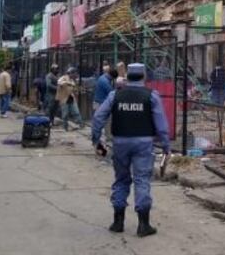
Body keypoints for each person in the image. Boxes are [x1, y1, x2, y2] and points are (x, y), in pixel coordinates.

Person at [92, 62, 171, 238]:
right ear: (144, 76)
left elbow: (98, 117)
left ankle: (118, 222)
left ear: (127, 76)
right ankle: (143, 225)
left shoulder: (115, 95)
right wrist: (166, 146)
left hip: (120, 143)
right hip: (143, 144)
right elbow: (162, 126)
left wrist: (96, 140)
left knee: (121, 180)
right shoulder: (152, 96)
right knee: (142, 179)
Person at [57, 67, 83, 131]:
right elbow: (59, 82)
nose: (75, 75)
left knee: (76, 112)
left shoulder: (72, 80)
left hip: (71, 98)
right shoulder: (63, 78)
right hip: (64, 99)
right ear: (70, 73)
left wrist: (77, 89)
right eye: (74, 74)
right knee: (65, 114)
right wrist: (69, 83)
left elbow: (73, 89)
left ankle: (81, 124)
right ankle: (65, 127)